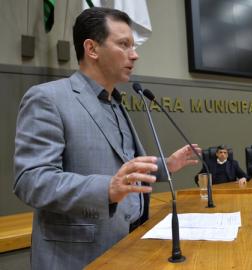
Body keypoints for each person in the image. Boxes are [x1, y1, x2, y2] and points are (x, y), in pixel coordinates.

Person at [13, 8, 200, 270]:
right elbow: (31, 180)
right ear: (92, 49)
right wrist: (106, 190)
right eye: (124, 44)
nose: (134, 55)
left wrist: (165, 165)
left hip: (130, 244)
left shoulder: (116, 103)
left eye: (133, 46)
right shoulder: (48, 98)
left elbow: (123, 164)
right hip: (78, 255)